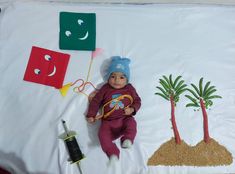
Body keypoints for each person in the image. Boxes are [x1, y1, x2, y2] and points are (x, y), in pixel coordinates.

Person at [86, 56, 141, 164]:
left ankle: (127, 139)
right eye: (113, 76)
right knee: (102, 135)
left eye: (121, 77)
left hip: (124, 119)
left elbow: (138, 101)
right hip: (108, 122)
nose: (116, 80)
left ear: (127, 79)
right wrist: (91, 115)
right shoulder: (105, 88)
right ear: (108, 77)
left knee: (132, 123)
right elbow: (96, 102)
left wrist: (132, 109)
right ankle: (112, 153)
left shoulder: (129, 88)